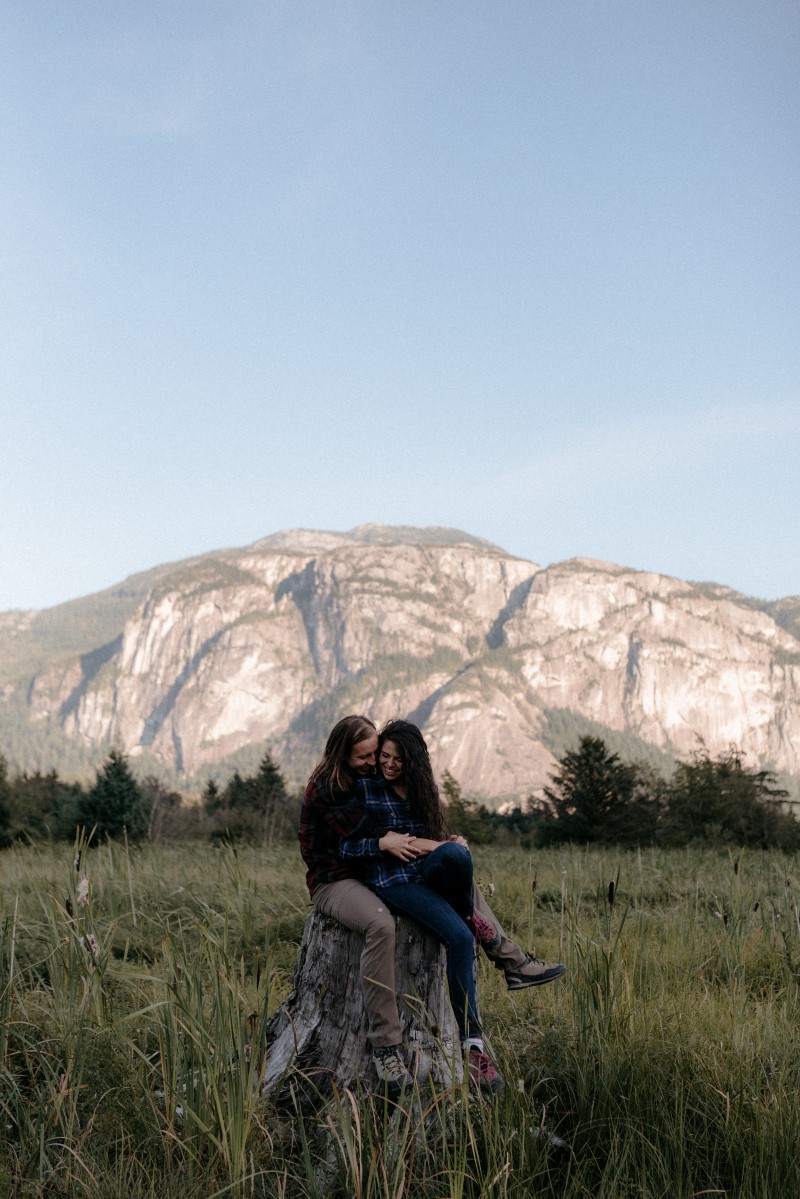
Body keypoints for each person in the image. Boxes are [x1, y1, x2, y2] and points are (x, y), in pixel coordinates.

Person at [299, 714, 565, 1094]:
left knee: (457, 867)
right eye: (370, 757)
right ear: (343, 755)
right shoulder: (338, 787)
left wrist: (445, 845)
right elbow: (363, 842)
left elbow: (424, 836)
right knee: (390, 925)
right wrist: (418, 845)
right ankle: (387, 1047)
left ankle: (494, 993)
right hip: (340, 879)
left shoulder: (411, 786)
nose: (378, 764)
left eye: (386, 756)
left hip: (402, 870)